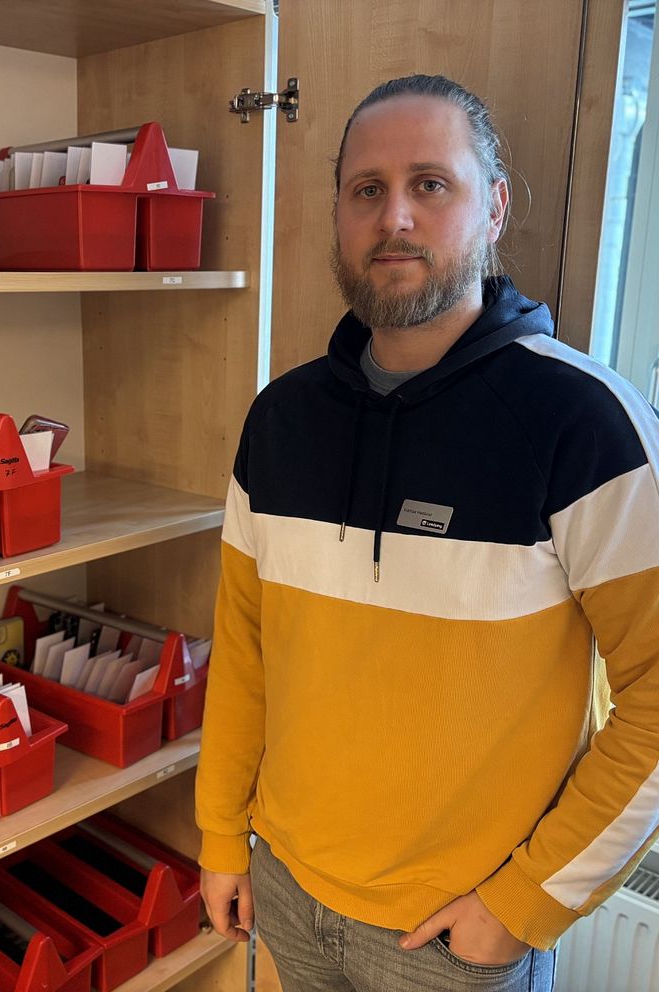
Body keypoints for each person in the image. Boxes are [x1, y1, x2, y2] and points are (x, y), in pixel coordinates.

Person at [195, 73, 659, 992]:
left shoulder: (585, 424)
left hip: (453, 936)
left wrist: (523, 905)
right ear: (338, 215)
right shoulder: (280, 419)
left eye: (430, 184)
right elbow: (245, 653)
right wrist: (221, 836)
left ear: (494, 206)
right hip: (285, 883)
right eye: (367, 189)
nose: (394, 217)